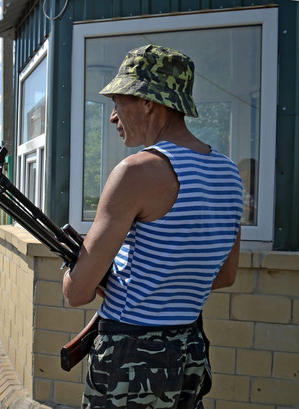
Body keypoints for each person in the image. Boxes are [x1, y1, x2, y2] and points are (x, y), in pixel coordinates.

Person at [62, 45, 243, 409]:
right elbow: (224, 275)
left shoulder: (136, 171)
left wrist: (74, 265)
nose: (113, 116)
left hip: (131, 359)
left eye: (118, 101)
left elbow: (76, 292)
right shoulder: (229, 172)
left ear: (148, 102)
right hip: (189, 350)